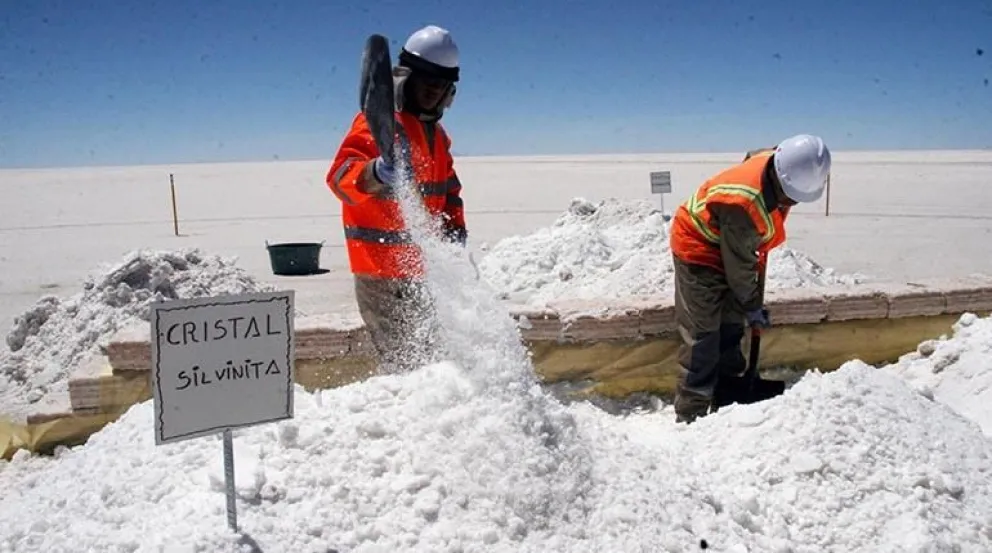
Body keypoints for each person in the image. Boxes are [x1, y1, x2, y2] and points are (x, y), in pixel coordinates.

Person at [325, 24, 467, 372]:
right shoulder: (378, 124)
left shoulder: (437, 134)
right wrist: (373, 173)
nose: (434, 91)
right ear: (405, 78)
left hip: (424, 270)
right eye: (427, 82)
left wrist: (455, 232)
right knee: (405, 365)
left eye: (442, 84)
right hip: (381, 272)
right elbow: (339, 179)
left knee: (431, 358)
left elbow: (448, 189)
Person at [668, 134, 832, 423]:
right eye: (790, 196)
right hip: (697, 244)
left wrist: (745, 306)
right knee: (703, 334)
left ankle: (726, 391)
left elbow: (751, 156)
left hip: (730, 240)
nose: (791, 203)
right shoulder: (743, 206)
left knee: (732, 324)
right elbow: (740, 268)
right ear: (780, 175)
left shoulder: (776, 160)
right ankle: (690, 412)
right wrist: (752, 304)